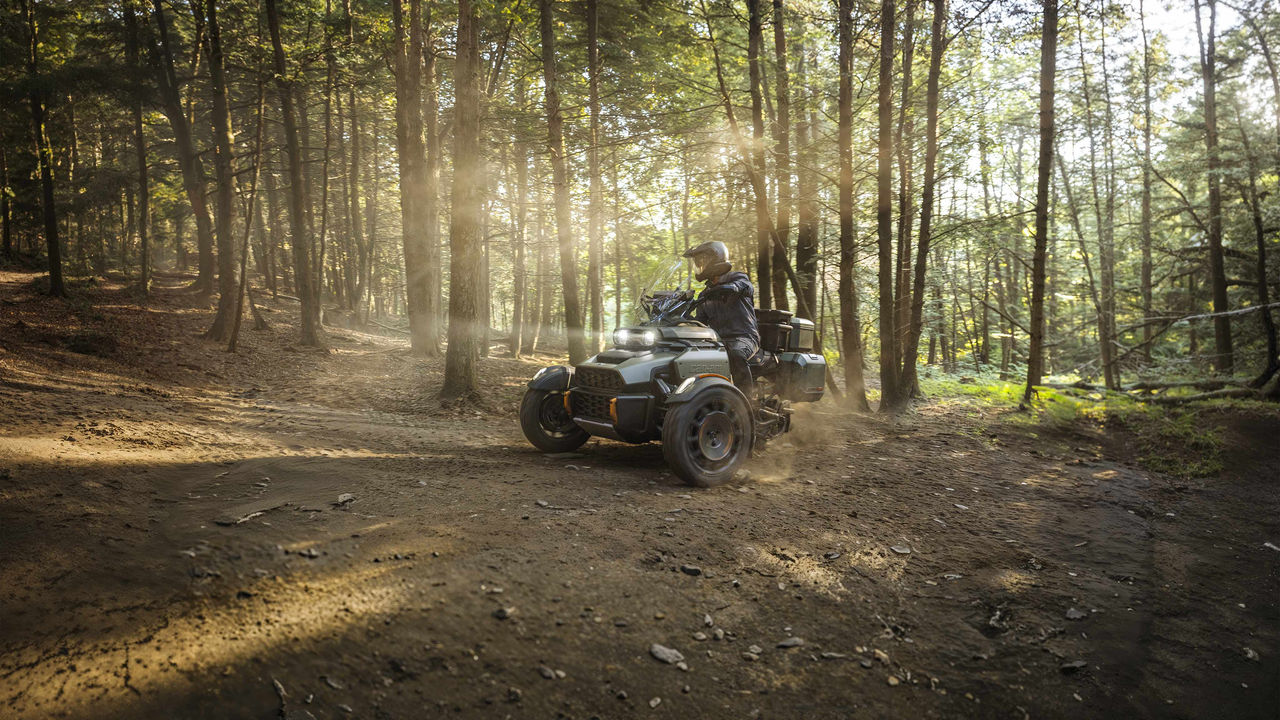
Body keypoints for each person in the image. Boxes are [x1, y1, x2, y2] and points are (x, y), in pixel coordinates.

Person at [684, 241, 760, 395]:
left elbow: (746, 287)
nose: (699, 265)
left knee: (736, 354)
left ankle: (747, 403)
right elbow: (700, 322)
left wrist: (732, 287)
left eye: (702, 261)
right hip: (718, 341)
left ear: (716, 259)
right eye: (697, 262)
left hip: (744, 337)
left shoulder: (736, 278)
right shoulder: (705, 294)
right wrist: (684, 320)